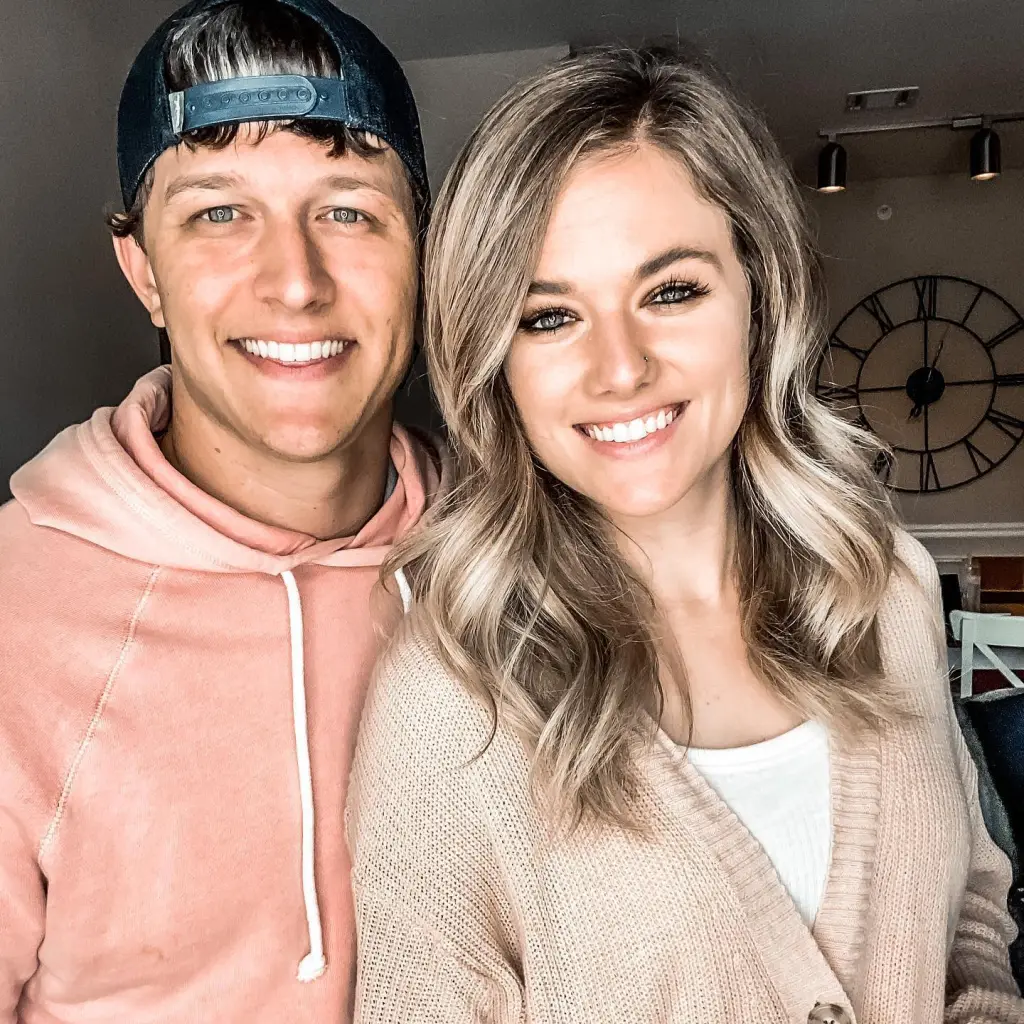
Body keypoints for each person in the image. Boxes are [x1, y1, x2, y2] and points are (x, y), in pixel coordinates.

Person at [346, 47, 1024, 1023]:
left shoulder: (885, 586)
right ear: (495, 359)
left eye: (670, 291)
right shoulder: (450, 697)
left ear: (759, 295)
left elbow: (968, 895)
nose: (618, 366)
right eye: (547, 316)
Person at [0, 1, 440, 1019]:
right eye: (218, 213)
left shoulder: (512, 561)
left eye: (347, 210)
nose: (294, 283)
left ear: (422, 246)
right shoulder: (14, 618)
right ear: (143, 270)